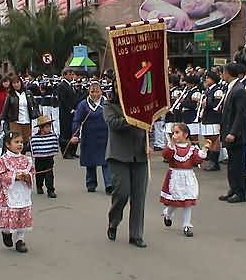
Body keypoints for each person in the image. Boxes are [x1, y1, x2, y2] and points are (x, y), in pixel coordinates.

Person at [103, 82, 153, 248]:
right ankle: (114, 222)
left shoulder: (142, 105)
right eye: (118, 86)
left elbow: (148, 126)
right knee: (122, 193)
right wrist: (133, 117)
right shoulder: (109, 105)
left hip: (139, 155)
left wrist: (149, 144)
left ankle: (136, 235)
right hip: (118, 156)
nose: (121, 89)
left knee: (139, 197)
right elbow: (114, 124)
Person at [161, 123, 210, 237]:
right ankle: (168, 214)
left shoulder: (191, 149)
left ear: (185, 134)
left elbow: (197, 160)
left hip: (188, 176)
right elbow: (166, 155)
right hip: (175, 176)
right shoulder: (172, 148)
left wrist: (203, 151)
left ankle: (186, 225)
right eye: (173, 133)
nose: (174, 135)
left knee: (188, 200)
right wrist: (170, 145)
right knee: (175, 201)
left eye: (177, 132)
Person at [0, 131, 34, 253]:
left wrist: (27, 176)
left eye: (21, 142)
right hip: (8, 193)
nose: (20, 144)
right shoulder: (3, 160)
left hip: (22, 192)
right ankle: (6, 232)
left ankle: (20, 240)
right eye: (16, 142)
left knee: (22, 214)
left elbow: (31, 171)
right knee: (9, 214)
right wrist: (14, 176)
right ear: (8, 144)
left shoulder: (26, 159)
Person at [71, 82, 112, 194]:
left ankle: (109, 184)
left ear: (101, 91)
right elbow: (77, 120)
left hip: (104, 136)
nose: (95, 94)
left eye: (97, 91)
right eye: (92, 92)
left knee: (106, 161)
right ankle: (91, 183)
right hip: (89, 136)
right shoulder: (83, 105)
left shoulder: (107, 103)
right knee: (90, 161)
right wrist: (75, 135)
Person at [219, 63, 246, 203]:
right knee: (231, 165)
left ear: (229, 73)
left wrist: (233, 132)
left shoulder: (239, 90)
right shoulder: (231, 88)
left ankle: (240, 193)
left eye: (224, 72)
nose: (222, 75)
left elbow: (240, 114)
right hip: (228, 131)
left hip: (237, 135)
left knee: (238, 165)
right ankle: (233, 189)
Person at [0, 75, 40, 152]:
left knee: (24, 143)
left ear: (21, 83)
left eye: (17, 82)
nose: (16, 84)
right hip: (15, 122)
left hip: (27, 121)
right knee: (16, 142)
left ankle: (22, 160)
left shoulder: (28, 93)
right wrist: (1, 120)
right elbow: (5, 109)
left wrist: (36, 115)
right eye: (14, 83)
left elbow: (34, 105)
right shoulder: (10, 95)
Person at [30, 115, 59, 198]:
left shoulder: (52, 136)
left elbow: (55, 145)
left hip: (49, 159)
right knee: (40, 174)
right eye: (46, 127)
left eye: (49, 126)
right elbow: (32, 146)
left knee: (49, 174)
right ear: (41, 128)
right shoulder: (35, 138)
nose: (49, 128)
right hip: (39, 159)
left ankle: (50, 190)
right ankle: (39, 186)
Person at [200, 71, 223, 171]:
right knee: (208, 139)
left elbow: (217, 105)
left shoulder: (217, 91)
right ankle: (211, 160)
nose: (206, 80)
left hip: (213, 118)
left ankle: (215, 162)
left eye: (208, 78)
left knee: (214, 140)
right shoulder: (207, 90)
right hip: (206, 117)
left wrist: (206, 104)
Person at [56, 68, 78, 159]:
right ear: (64, 75)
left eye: (72, 74)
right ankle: (66, 152)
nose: (72, 76)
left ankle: (73, 151)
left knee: (73, 131)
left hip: (73, 112)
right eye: (70, 74)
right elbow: (63, 99)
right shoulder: (62, 85)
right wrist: (70, 109)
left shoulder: (71, 85)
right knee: (65, 132)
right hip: (65, 113)